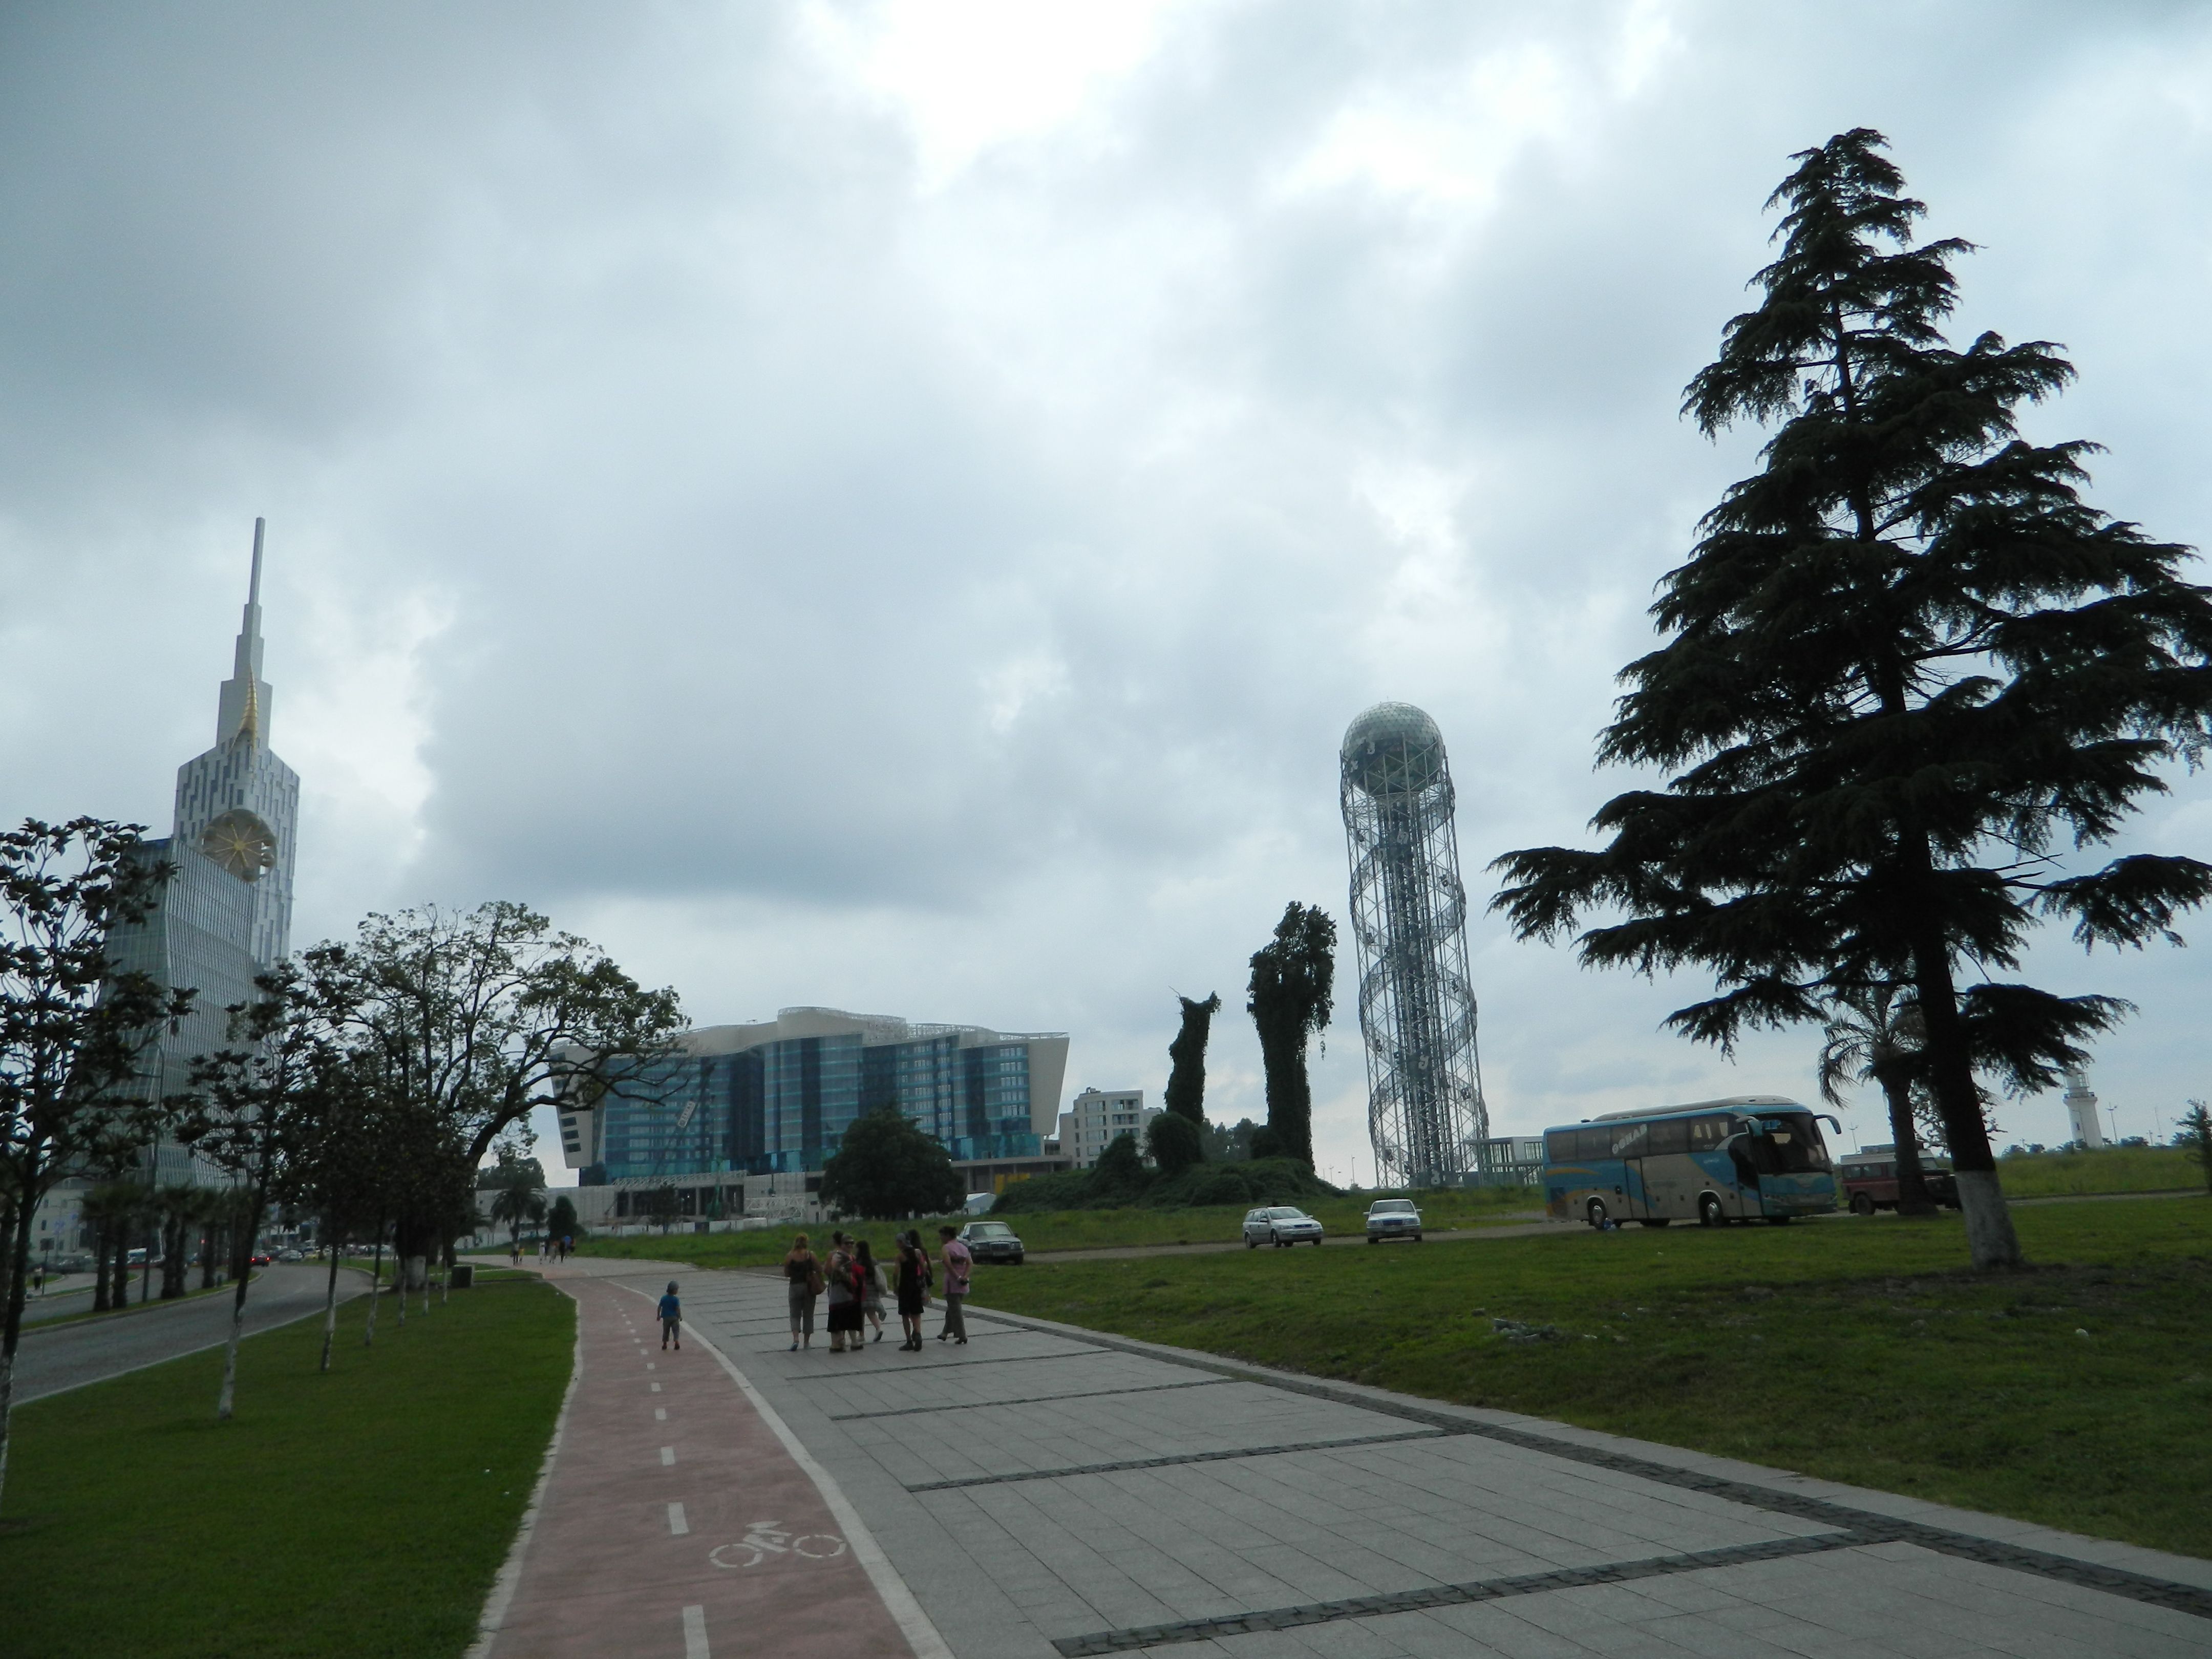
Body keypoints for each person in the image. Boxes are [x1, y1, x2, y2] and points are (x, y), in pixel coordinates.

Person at [824, 1233, 865, 1353]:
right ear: (842, 1244)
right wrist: (848, 1277)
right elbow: (834, 1270)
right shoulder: (838, 1256)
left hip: (849, 1293)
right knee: (836, 1317)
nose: (850, 1245)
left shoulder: (851, 1257)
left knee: (850, 1317)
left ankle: (852, 1342)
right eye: (847, 1243)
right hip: (839, 1292)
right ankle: (836, 1343)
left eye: (852, 1243)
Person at [783, 1233, 820, 1351]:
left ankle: (796, 1339)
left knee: (795, 1314)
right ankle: (807, 1342)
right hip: (809, 1287)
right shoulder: (810, 1255)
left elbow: (786, 1274)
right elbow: (819, 1269)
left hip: (794, 1287)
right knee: (808, 1315)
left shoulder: (790, 1256)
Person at [935, 1224, 971, 1345]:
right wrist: (965, 1276)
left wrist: (957, 1277)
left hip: (952, 1281)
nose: (941, 1238)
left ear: (947, 1236)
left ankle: (962, 1335)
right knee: (953, 1307)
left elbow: (948, 1263)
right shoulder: (963, 1247)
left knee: (955, 1309)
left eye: (942, 1236)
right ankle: (945, 1332)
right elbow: (969, 1263)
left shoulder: (946, 1248)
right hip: (963, 1282)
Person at [895, 1230, 929, 1351]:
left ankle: (909, 1340)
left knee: (905, 1314)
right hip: (916, 1285)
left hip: (905, 1286)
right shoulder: (917, 1252)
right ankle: (918, 1333)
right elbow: (923, 1267)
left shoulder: (901, 1256)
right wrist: (921, 1278)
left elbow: (896, 1273)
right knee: (916, 1312)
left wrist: (895, 1286)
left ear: (901, 1242)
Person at [856, 1239, 886, 1343]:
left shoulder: (858, 1261)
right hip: (873, 1289)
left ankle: (861, 1335)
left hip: (863, 1290)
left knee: (861, 1314)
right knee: (871, 1312)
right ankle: (879, 1328)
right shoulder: (873, 1260)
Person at [658, 1280, 683, 1350]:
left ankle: (665, 1344)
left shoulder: (664, 1298)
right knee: (676, 1330)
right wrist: (680, 1316)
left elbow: (660, 1307)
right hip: (675, 1318)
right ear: (674, 1290)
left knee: (666, 1331)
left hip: (666, 1318)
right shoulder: (676, 1299)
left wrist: (658, 1315)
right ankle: (676, 1342)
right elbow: (678, 1309)